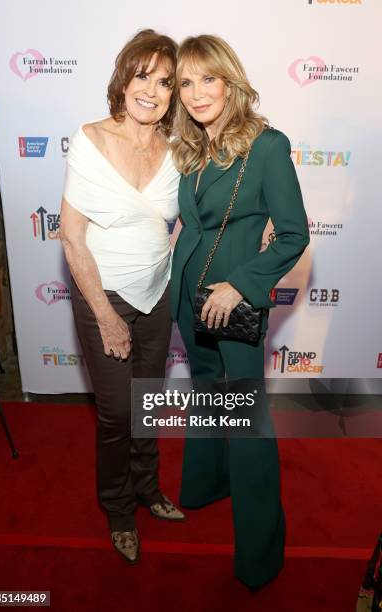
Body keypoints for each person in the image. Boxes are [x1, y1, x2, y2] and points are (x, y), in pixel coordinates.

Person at [170, 35, 310, 589]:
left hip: (233, 303)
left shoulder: (266, 145)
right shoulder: (191, 150)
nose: (197, 92)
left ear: (229, 80)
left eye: (208, 79)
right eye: (185, 83)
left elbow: (293, 235)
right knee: (206, 389)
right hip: (188, 295)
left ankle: (260, 551)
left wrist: (243, 286)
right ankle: (206, 484)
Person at [60, 29, 184, 566]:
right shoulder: (91, 139)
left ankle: (147, 489)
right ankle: (117, 510)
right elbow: (70, 233)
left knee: (147, 406)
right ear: (124, 78)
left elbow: (195, 215)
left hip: (156, 296)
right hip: (102, 296)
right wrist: (106, 316)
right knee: (115, 414)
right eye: (143, 76)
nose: (152, 91)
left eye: (164, 82)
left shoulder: (174, 150)